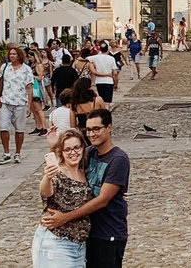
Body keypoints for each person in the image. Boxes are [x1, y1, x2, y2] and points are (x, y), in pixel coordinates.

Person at [43, 108, 129, 268]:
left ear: (109, 127)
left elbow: (102, 200)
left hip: (109, 233)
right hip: (88, 235)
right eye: (88, 130)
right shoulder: (89, 153)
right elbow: (65, 170)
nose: (91, 134)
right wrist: (54, 148)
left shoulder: (118, 159)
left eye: (96, 129)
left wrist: (65, 217)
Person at [33, 127, 93, 268]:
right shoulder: (58, 173)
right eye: (67, 149)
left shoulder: (84, 172)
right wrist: (47, 178)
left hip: (79, 246)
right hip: (55, 243)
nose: (73, 152)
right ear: (62, 152)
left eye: (77, 147)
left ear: (83, 147)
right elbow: (45, 192)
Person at [0, 45, 35, 164]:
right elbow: (0, 82)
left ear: (19, 55)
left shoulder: (26, 69)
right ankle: (6, 152)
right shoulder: (5, 67)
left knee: (19, 129)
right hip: (6, 100)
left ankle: (18, 152)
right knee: (3, 127)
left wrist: (29, 105)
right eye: (10, 54)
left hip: (20, 102)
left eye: (14, 54)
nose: (12, 56)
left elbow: (29, 88)